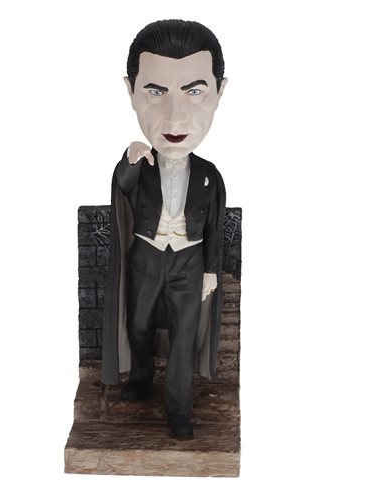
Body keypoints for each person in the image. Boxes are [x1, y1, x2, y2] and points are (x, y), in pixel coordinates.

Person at [101, 19, 227, 439]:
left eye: (194, 91)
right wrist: (129, 158)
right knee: (137, 323)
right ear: (131, 91)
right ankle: (140, 378)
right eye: (156, 92)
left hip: (189, 262)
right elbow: (121, 186)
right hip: (146, 256)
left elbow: (215, 225)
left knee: (184, 336)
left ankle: (178, 409)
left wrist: (210, 271)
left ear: (219, 93)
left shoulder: (209, 175)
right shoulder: (143, 164)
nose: (175, 116)